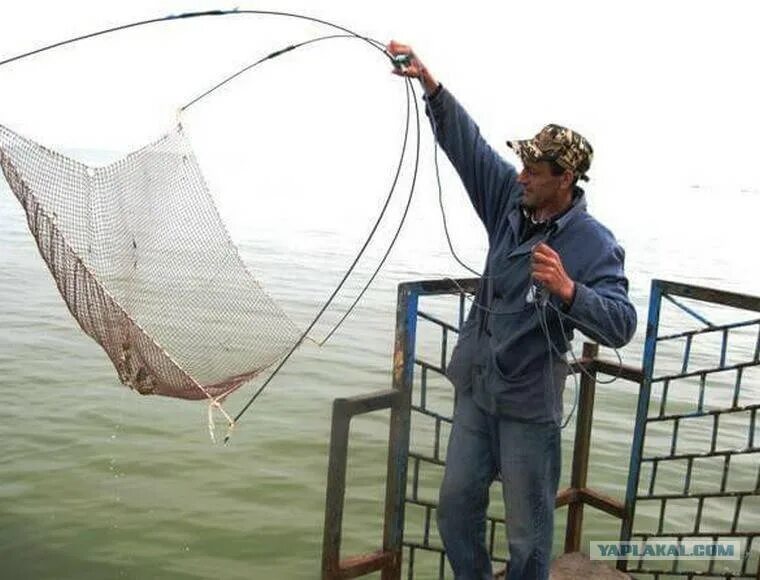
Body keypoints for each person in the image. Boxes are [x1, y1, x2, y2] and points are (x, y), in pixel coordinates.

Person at [387, 41, 637, 580]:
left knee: (529, 536)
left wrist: (571, 292)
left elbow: (621, 325)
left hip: (528, 401)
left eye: (534, 168)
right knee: (454, 509)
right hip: (477, 387)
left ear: (564, 179)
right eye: (521, 164)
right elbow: (468, 147)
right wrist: (431, 86)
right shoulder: (507, 200)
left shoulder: (594, 243)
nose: (520, 174)